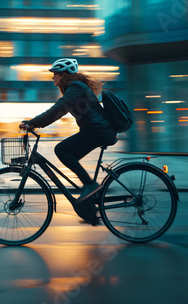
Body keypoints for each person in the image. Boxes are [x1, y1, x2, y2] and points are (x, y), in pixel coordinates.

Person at [19, 58, 117, 224]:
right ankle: (90, 210)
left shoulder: (75, 87)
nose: (53, 78)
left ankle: (90, 186)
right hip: (97, 131)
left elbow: (58, 109)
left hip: (98, 131)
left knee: (62, 150)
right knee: (69, 154)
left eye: (55, 74)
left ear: (63, 74)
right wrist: (36, 123)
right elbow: (61, 111)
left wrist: (32, 122)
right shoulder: (74, 88)